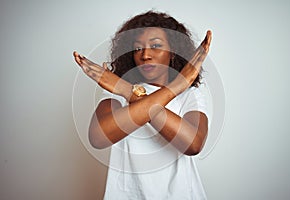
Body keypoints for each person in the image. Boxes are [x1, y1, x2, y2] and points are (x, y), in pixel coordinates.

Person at [73, 10, 212, 200]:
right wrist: (176, 85)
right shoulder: (115, 93)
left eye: (155, 45)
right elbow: (98, 137)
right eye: (138, 48)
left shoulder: (189, 95)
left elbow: (193, 144)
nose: (145, 55)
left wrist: (127, 91)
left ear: (172, 52)